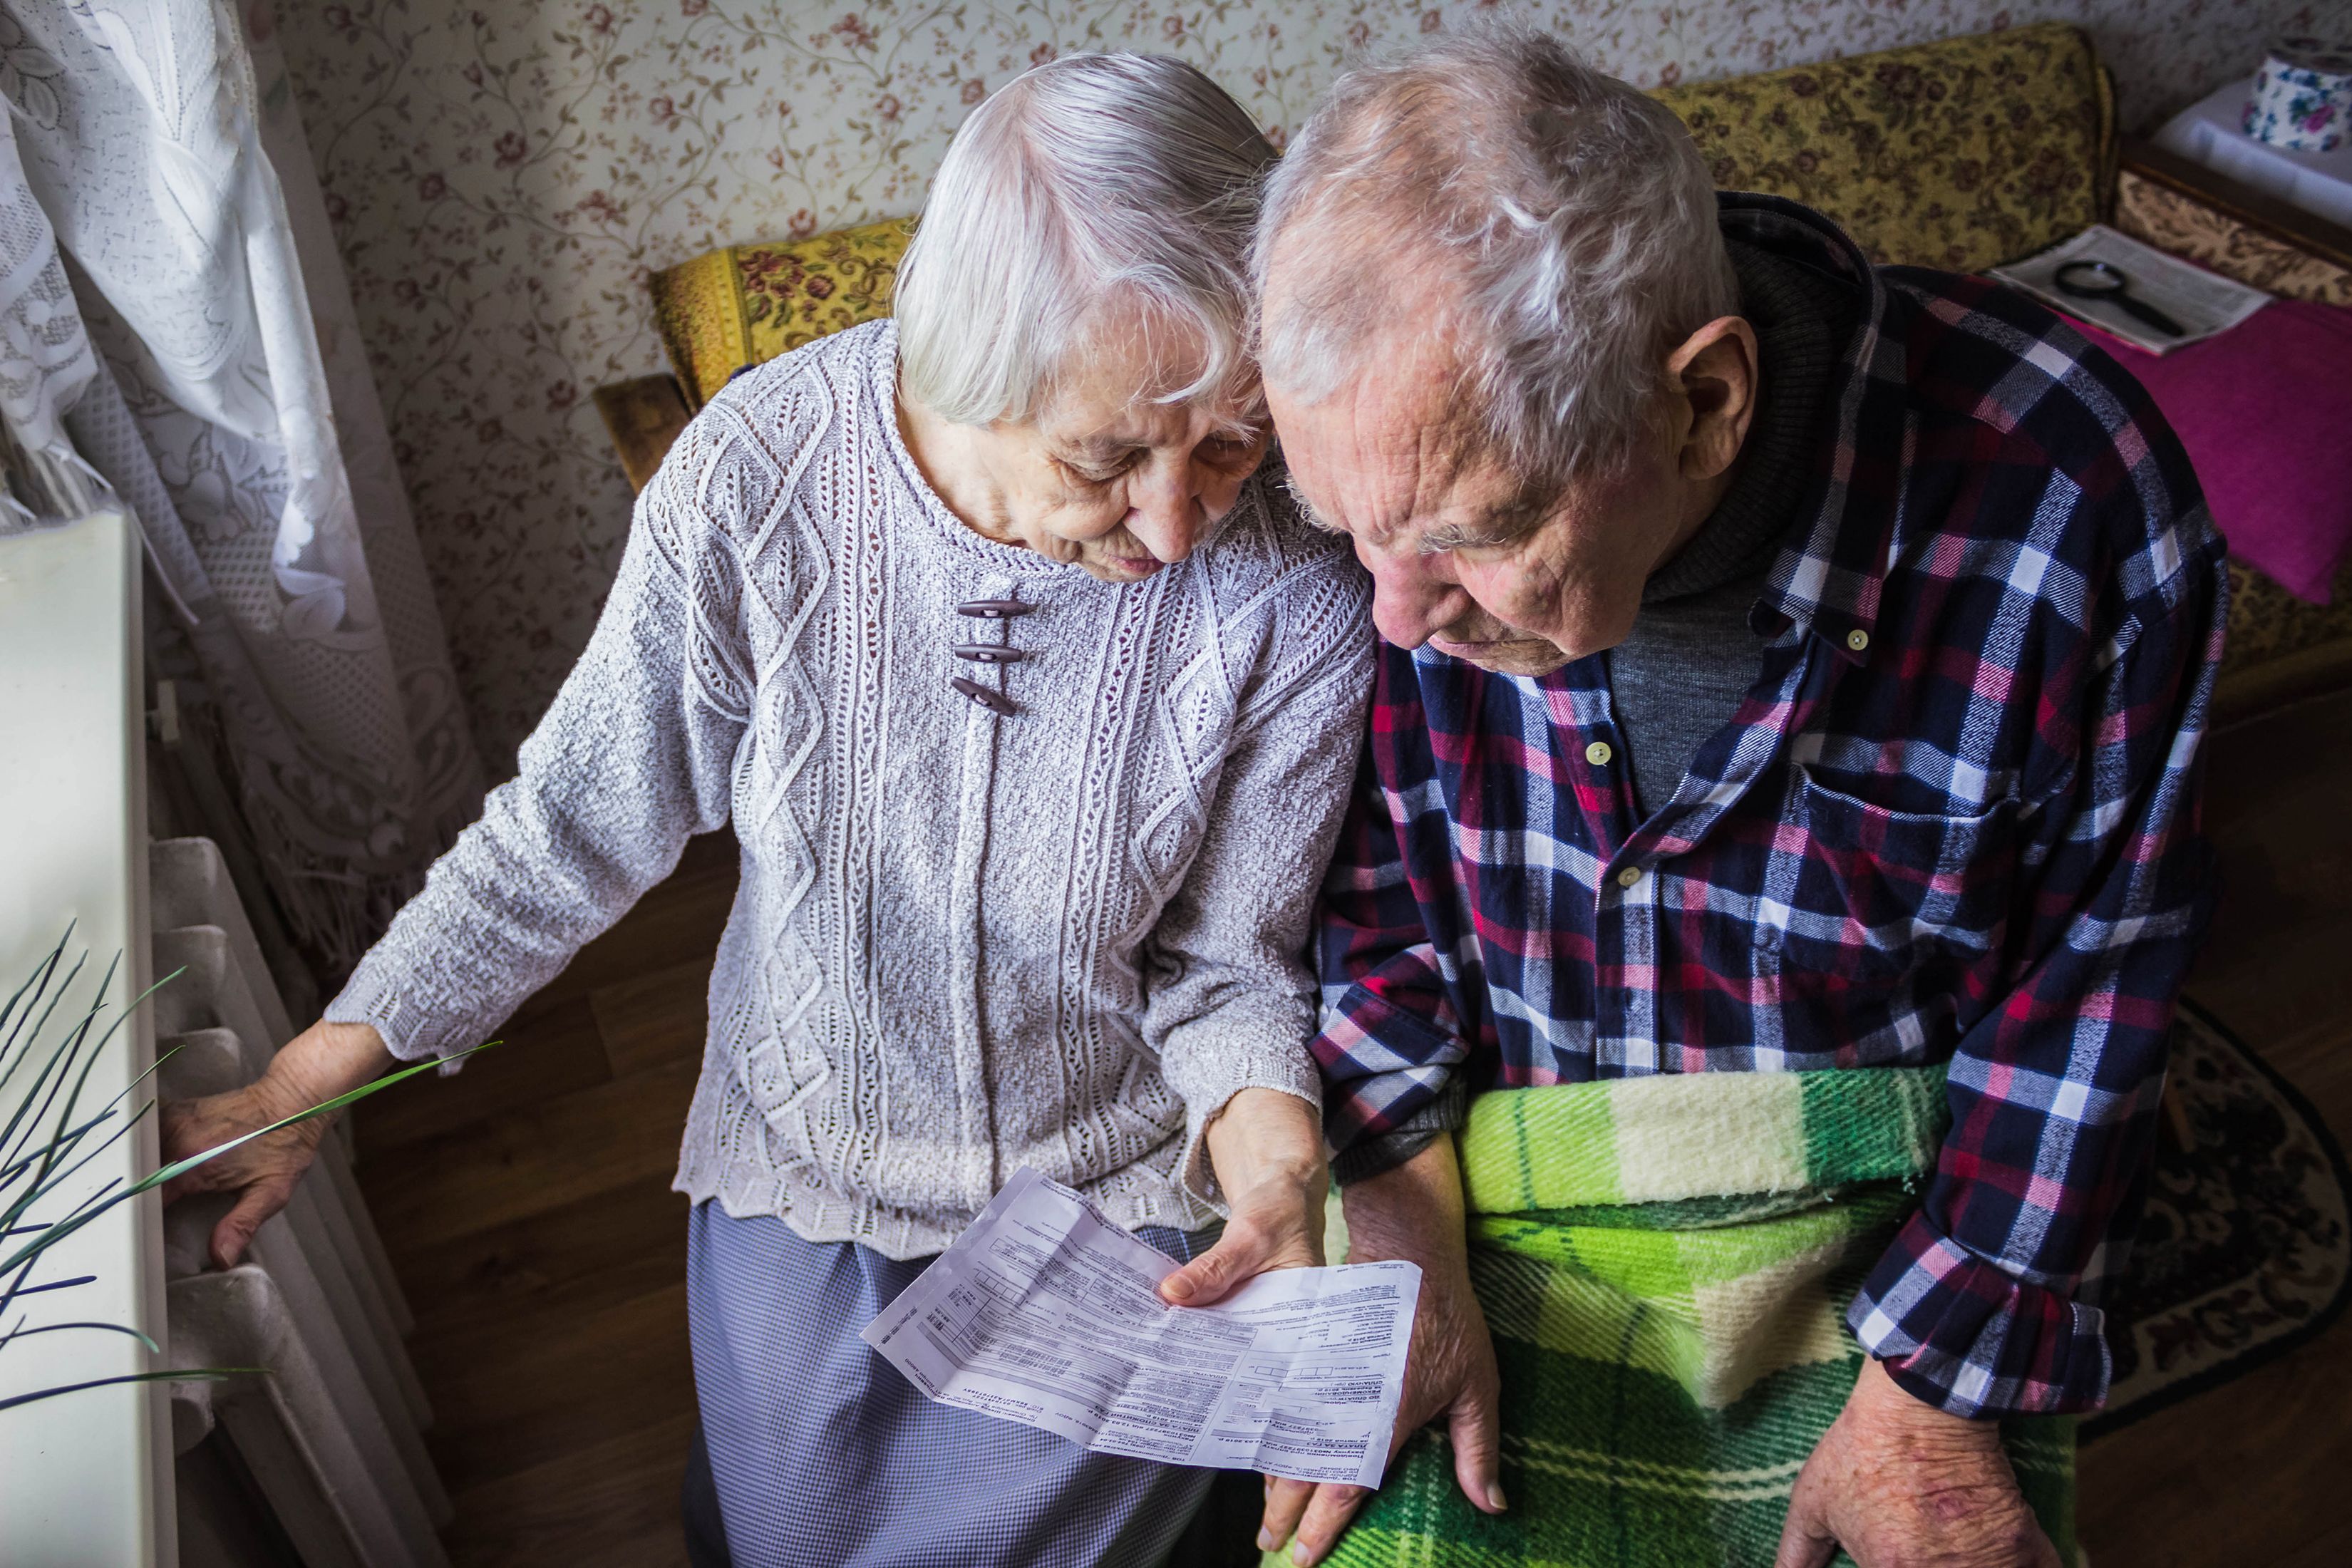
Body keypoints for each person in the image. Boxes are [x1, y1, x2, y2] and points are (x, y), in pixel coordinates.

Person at [162, 53, 1373, 1568]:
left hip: (1114, 1187)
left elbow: (1229, 962)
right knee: (787, 1536)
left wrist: (1276, 1177)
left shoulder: (1295, 589)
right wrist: (298, 1088)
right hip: (813, 1156)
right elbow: (573, 825)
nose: (1181, 518)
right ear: (964, 374)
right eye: (1108, 456)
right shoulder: (759, 478)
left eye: (1229, 438)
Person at [1252, 28, 2223, 1568]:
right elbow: (1371, 901)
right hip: (1497, 1193)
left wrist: (1930, 1399)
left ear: (1703, 402)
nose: (1390, 614)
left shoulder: (2071, 497)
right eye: (1347, 531)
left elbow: (2091, 989)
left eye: (1467, 535)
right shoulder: (1398, 508)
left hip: (1899, 1244)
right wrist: (1401, 1227)